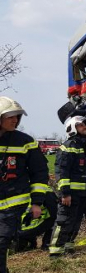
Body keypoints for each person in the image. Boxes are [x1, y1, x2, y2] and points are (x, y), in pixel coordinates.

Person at [0, 97, 49, 272]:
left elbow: (40, 173)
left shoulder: (25, 142)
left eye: (17, 117)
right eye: (10, 116)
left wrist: (36, 202)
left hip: (13, 203)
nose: (15, 120)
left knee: (2, 240)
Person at [49, 116, 86, 258]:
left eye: (85, 125)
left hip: (83, 194)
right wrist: (65, 194)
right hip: (71, 194)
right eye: (81, 125)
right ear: (72, 128)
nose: (85, 127)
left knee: (76, 221)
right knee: (64, 221)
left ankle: (68, 246)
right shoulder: (68, 146)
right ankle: (56, 252)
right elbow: (62, 171)